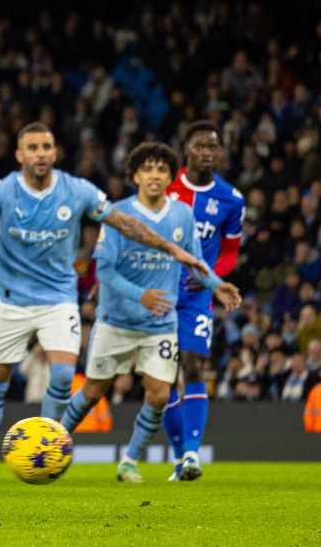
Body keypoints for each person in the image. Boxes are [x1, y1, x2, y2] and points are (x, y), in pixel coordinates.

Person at [0, 123, 206, 484]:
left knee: (64, 375)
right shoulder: (4, 189)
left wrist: (172, 248)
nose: (39, 153)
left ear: (55, 153)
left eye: (46, 147)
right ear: (20, 155)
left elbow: (125, 223)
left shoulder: (77, 190)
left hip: (58, 298)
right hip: (10, 302)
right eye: (32, 147)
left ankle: (45, 454)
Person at [60, 142, 240, 482]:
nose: (155, 175)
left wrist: (217, 284)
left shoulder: (182, 215)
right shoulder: (117, 214)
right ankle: (54, 442)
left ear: (171, 177)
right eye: (148, 169)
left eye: (162, 170)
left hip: (160, 323)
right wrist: (140, 295)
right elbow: (106, 272)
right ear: (135, 176)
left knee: (158, 395)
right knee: (93, 393)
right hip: (116, 320)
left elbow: (194, 261)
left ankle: (129, 461)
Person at [161, 121, 245, 480]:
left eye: (214, 146)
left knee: (194, 364)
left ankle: (193, 454)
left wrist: (209, 277)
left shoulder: (231, 199)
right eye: (200, 146)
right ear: (186, 150)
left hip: (196, 297)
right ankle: (181, 458)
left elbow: (229, 253)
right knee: (161, 379)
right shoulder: (164, 189)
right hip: (159, 294)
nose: (208, 152)